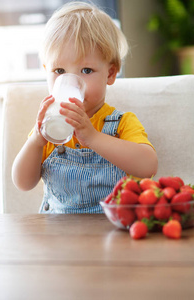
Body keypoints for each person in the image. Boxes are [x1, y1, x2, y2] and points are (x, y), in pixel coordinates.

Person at [12, 2, 158, 214]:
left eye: (86, 70)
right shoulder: (49, 127)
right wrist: (36, 140)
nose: (71, 81)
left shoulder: (120, 123)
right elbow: (22, 183)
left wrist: (92, 137)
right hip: (59, 235)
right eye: (59, 71)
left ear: (110, 74)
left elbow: (148, 167)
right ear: (46, 71)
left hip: (112, 232)